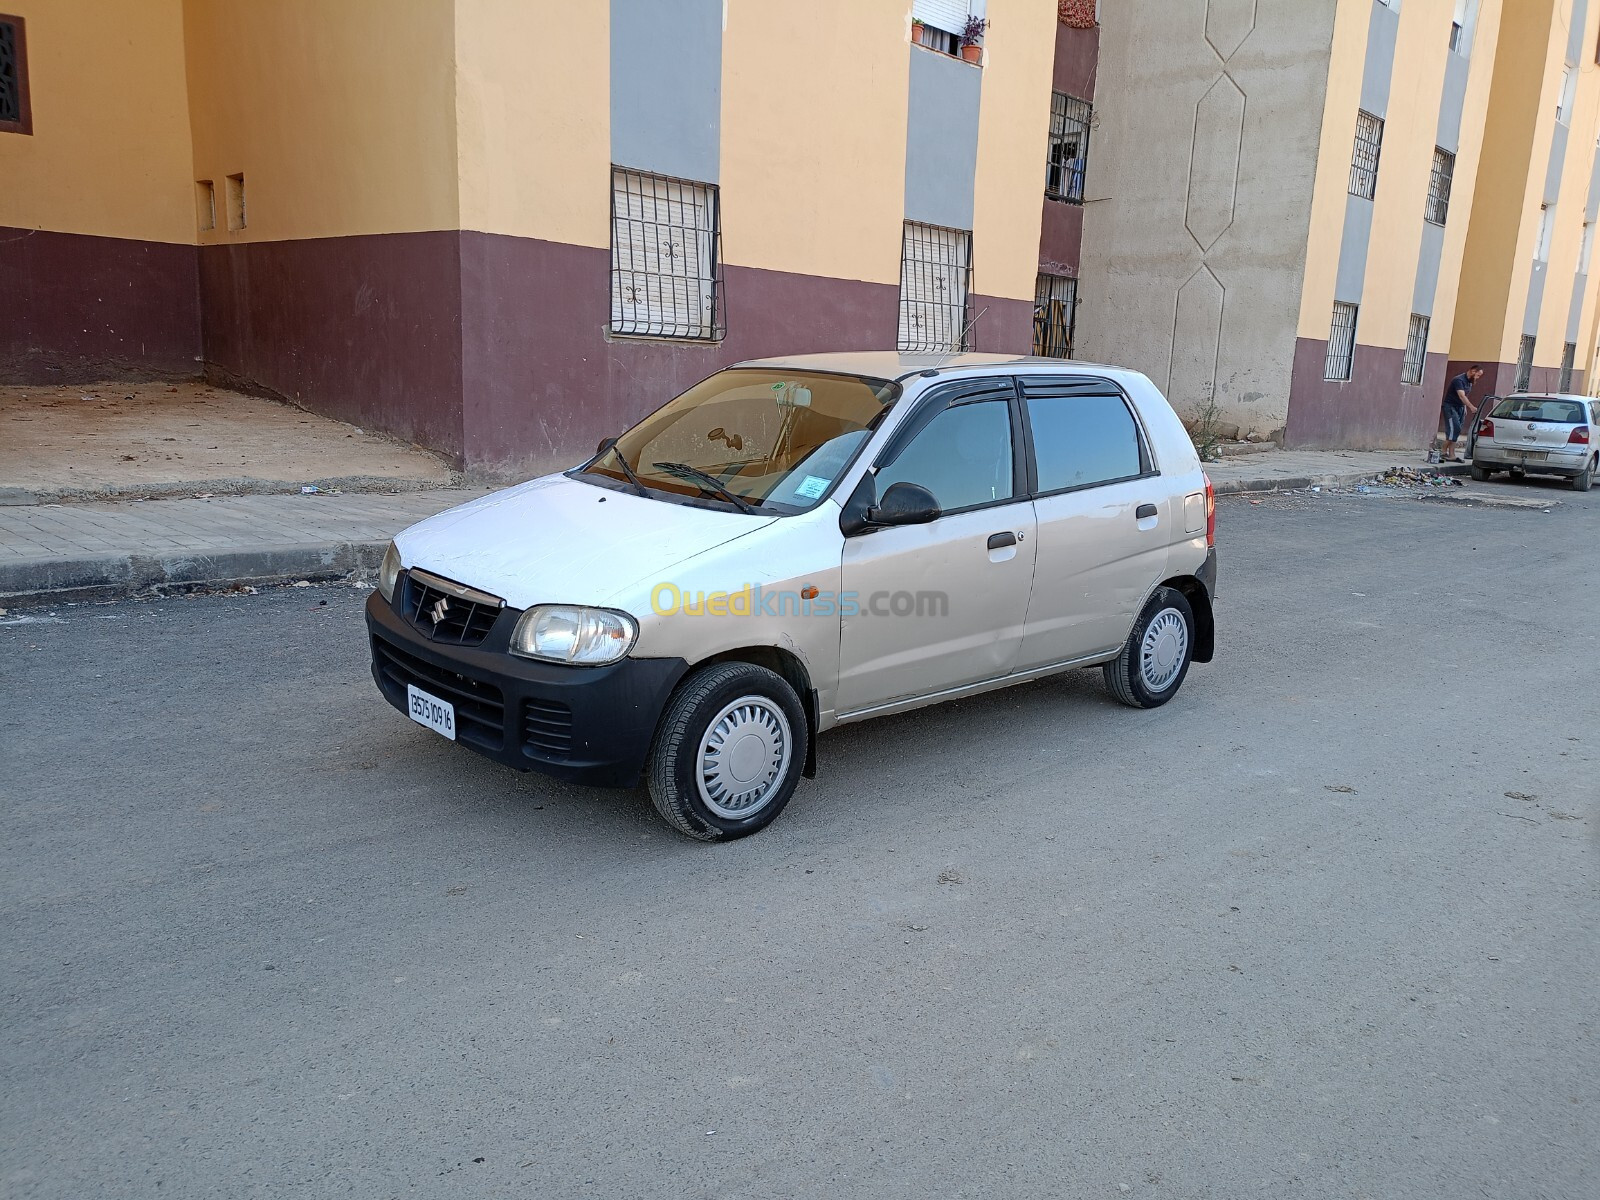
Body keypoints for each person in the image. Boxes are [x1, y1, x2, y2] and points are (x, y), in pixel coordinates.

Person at [1439, 364, 1484, 463]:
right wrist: (1471, 407)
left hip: (1460, 408)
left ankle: (1451, 455)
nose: (1478, 378)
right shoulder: (1459, 380)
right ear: (1473, 371)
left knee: (1457, 430)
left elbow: (1465, 396)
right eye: (1478, 375)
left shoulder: (1470, 382)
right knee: (1454, 429)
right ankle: (1442, 451)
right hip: (1450, 407)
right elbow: (1461, 396)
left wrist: (1464, 407)